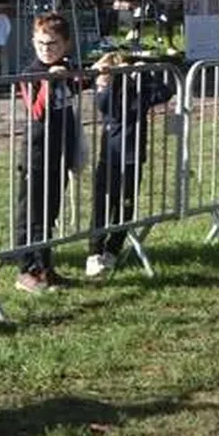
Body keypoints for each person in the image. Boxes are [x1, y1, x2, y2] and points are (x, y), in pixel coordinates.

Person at [85, 53, 177, 278]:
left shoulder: (140, 91)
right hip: (110, 157)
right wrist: (107, 81)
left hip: (134, 156)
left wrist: (147, 74)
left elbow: (166, 92)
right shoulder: (108, 93)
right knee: (103, 203)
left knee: (126, 205)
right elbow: (106, 106)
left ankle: (114, 249)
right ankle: (94, 251)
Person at [14, 12, 81, 293]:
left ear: (65, 44)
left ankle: (46, 266)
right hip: (36, 154)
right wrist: (49, 81)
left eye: (52, 44)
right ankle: (26, 269)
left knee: (50, 211)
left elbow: (82, 82)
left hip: (60, 152)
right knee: (31, 213)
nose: (46, 49)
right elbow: (37, 110)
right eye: (41, 43)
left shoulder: (66, 67)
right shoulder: (31, 73)